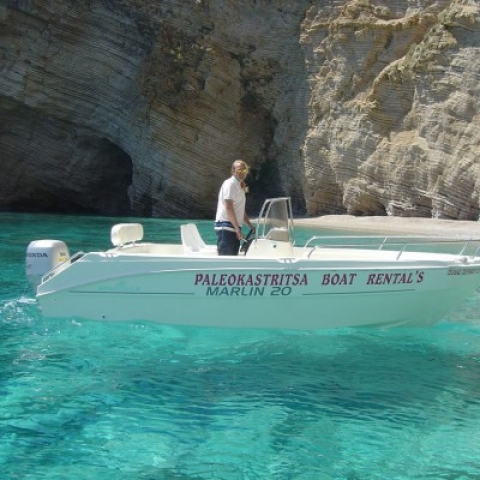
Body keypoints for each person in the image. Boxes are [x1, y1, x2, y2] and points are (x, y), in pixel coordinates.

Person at [215, 159, 255, 255]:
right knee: (226, 260)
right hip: (226, 227)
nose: (242, 172)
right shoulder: (230, 184)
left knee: (232, 258)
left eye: (244, 170)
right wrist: (237, 229)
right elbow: (229, 207)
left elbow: (240, 210)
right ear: (233, 171)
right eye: (239, 170)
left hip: (233, 228)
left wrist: (250, 225)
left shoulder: (239, 186)